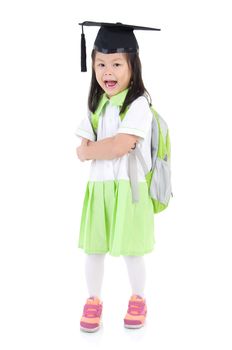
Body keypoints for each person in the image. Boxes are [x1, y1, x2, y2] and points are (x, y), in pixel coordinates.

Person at [75, 21, 160, 332]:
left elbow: (119, 146)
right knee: (94, 248)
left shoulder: (139, 105)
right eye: (100, 63)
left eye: (116, 63)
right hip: (99, 188)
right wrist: (99, 149)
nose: (107, 71)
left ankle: (138, 297)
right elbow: (81, 150)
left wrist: (95, 150)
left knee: (132, 249)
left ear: (132, 67)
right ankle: (93, 300)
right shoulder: (96, 105)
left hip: (130, 190)